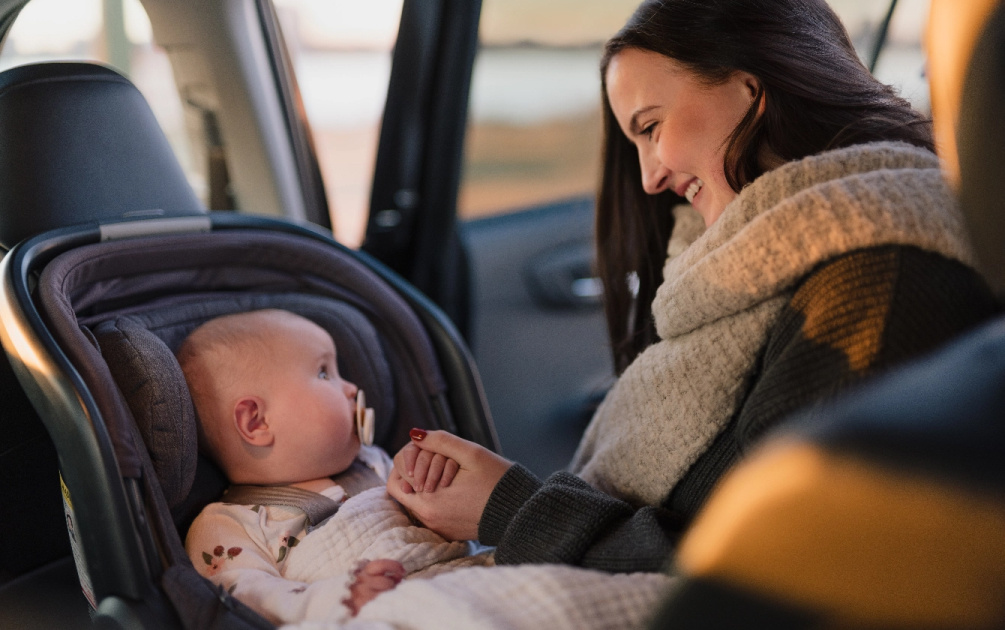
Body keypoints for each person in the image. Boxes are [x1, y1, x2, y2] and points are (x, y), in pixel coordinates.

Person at [386, 0, 1000, 573]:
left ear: (751, 89)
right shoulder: (748, 275)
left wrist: (515, 509)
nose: (650, 177)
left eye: (651, 127)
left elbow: (770, 570)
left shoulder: (876, 284)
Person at [177, 309, 478, 625]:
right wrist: (339, 596)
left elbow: (441, 519)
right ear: (256, 421)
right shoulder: (227, 523)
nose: (351, 388)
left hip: (456, 582)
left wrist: (436, 481)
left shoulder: (374, 461)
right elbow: (246, 595)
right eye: (324, 373)